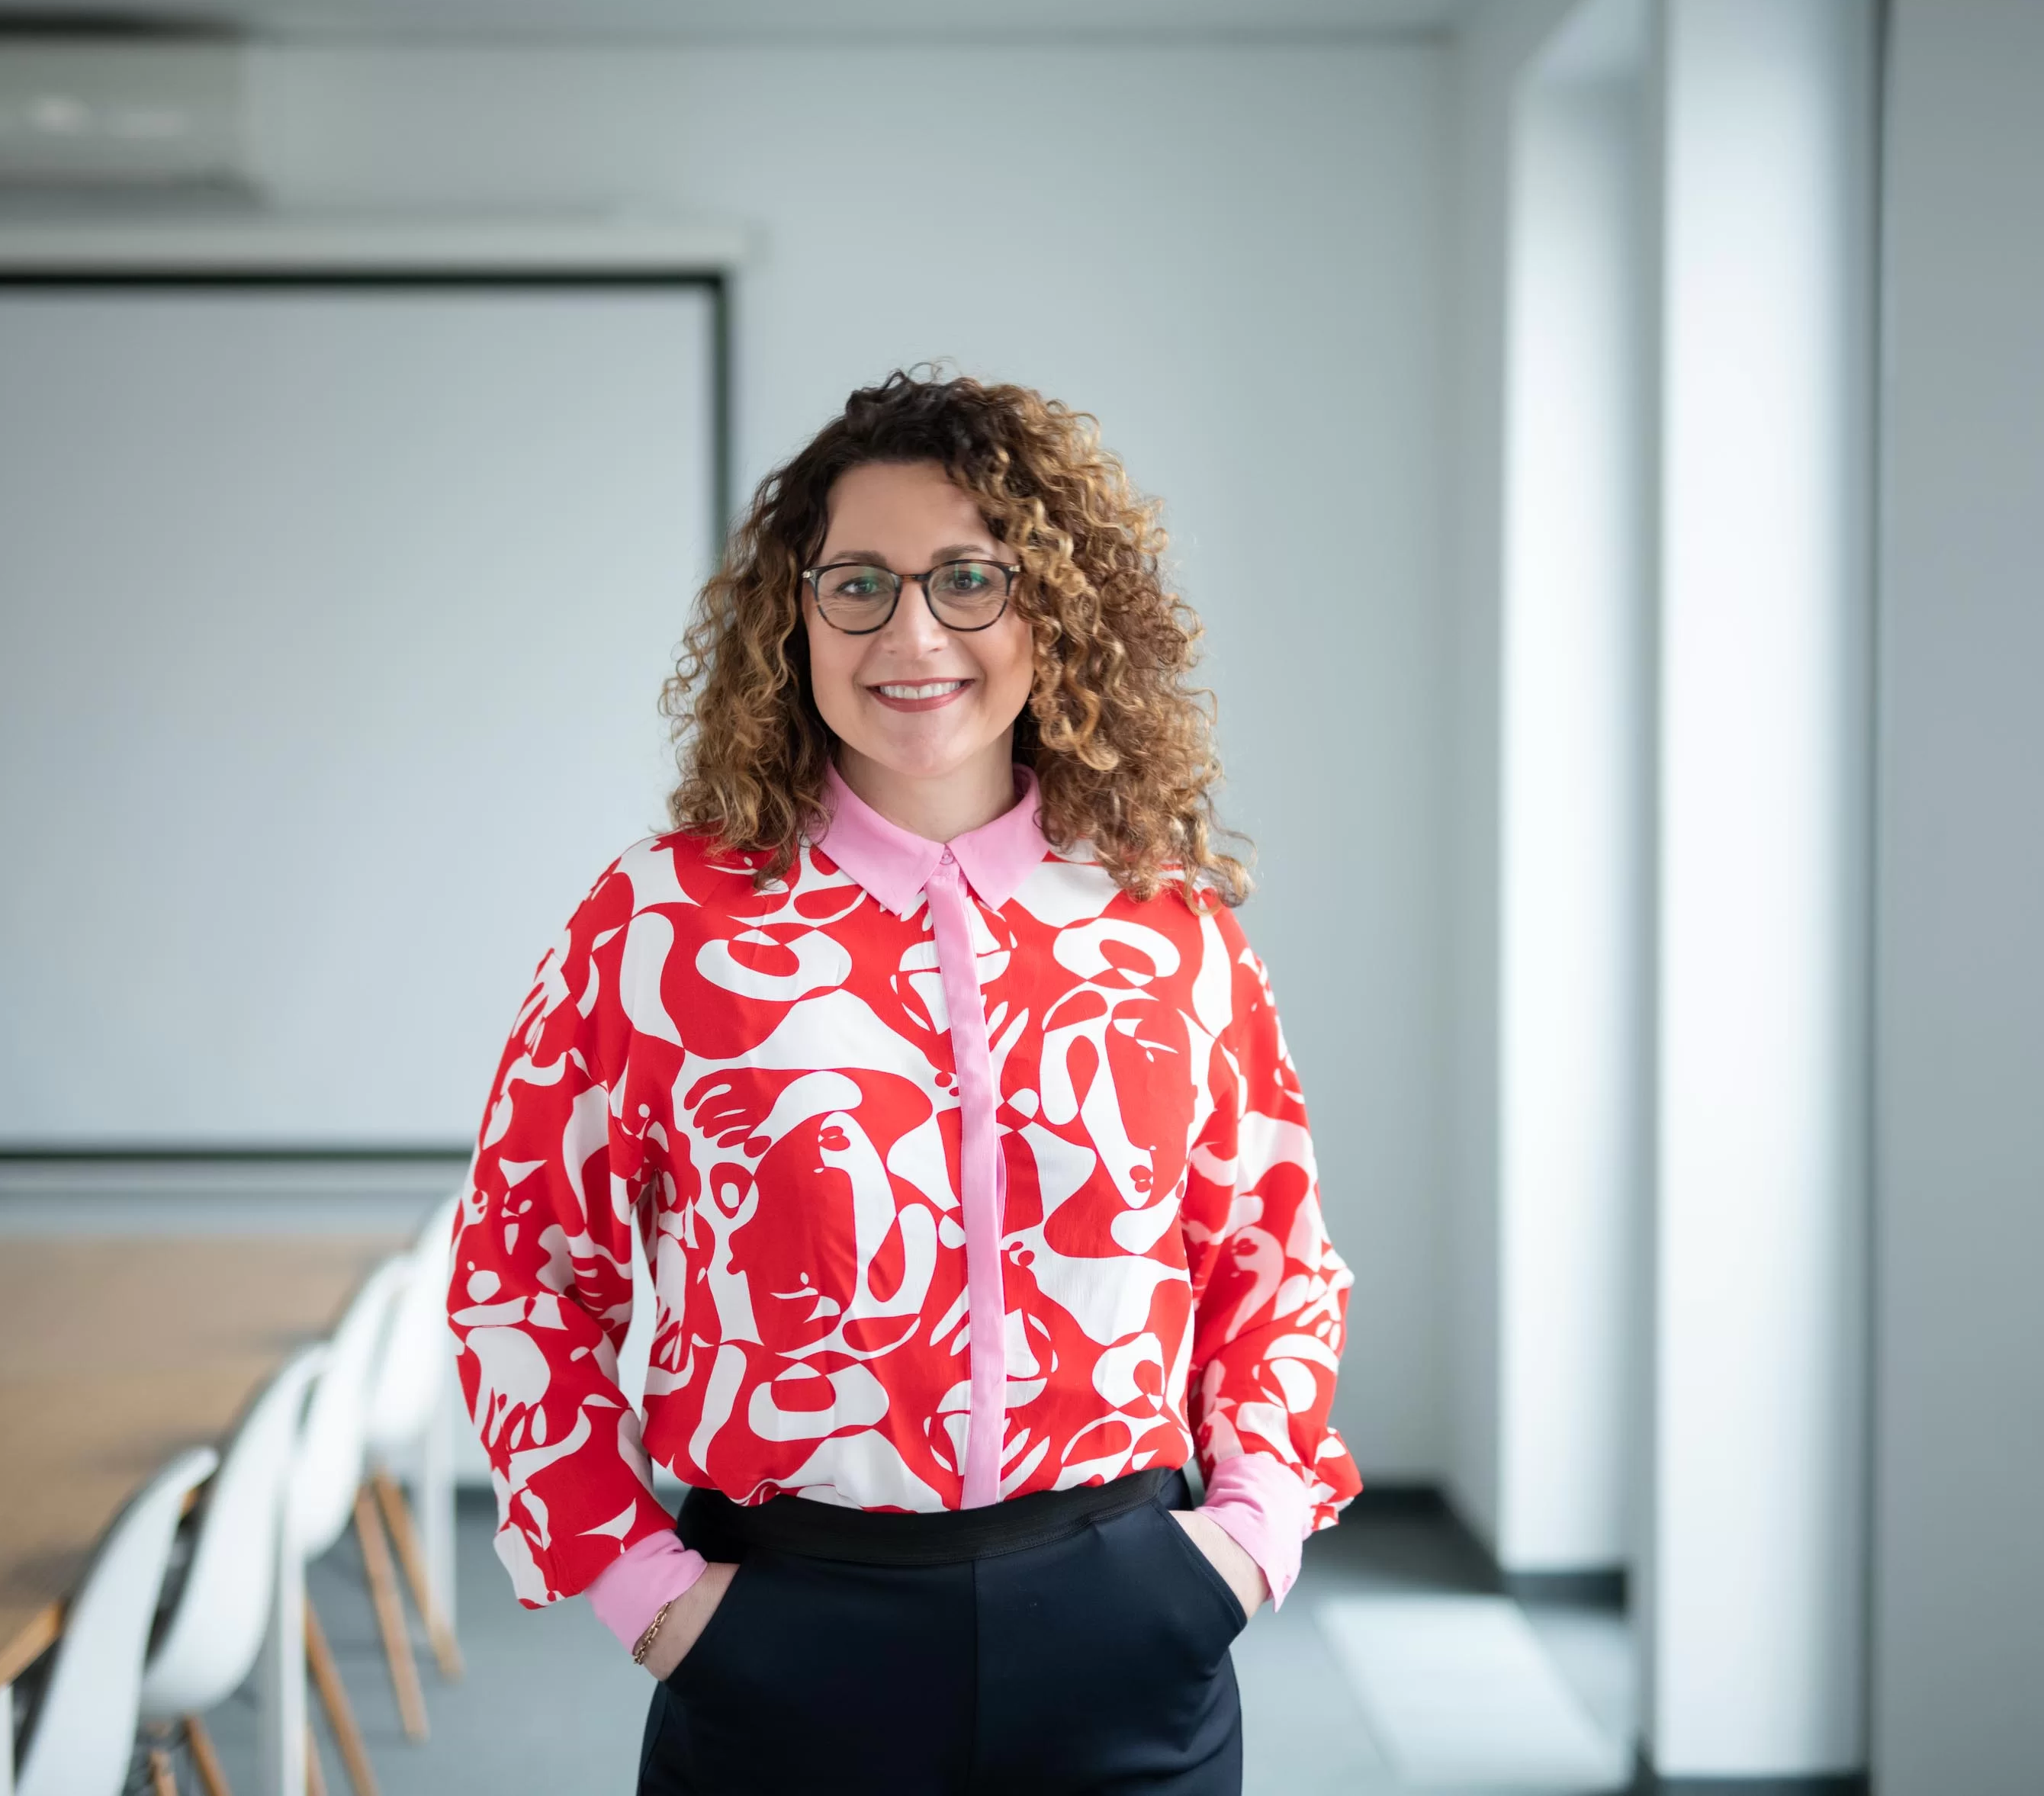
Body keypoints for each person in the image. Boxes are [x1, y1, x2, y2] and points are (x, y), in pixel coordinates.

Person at [446, 369, 1359, 1794]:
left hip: (1128, 1626)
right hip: (778, 1641)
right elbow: (522, 1270)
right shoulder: (664, 924)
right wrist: (647, 1593)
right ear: (794, 615)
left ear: (1053, 609)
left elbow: (1271, 1259)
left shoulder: (1164, 922)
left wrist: (1243, 1546)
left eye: (969, 579)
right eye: (858, 582)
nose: (911, 632)